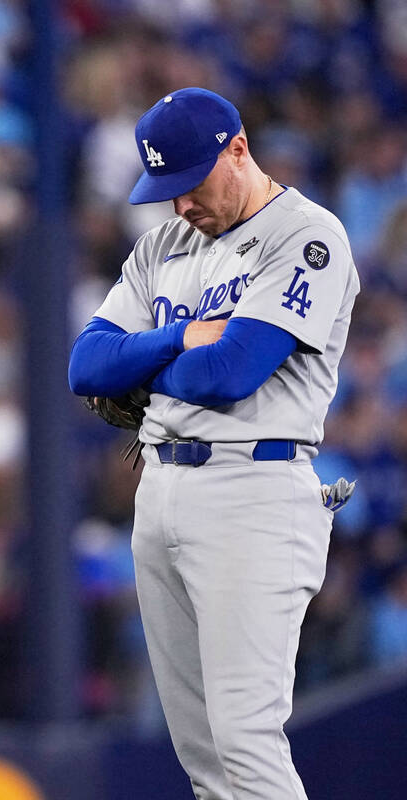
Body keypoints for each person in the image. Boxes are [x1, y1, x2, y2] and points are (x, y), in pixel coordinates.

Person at [68, 88, 360, 799]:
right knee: (202, 754)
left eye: (190, 184)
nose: (180, 206)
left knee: (245, 740)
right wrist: (175, 338)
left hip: (253, 491)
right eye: (164, 189)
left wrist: (142, 361)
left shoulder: (305, 236)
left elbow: (228, 372)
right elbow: (85, 366)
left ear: (237, 150)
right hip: (162, 489)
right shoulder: (163, 244)